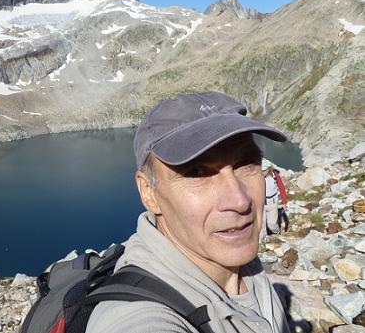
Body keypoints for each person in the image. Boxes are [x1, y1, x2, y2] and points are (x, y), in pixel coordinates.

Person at [86, 91, 291, 333]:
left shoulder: (238, 258)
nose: (239, 201)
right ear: (148, 192)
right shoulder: (136, 317)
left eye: (245, 164)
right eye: (198, 172)